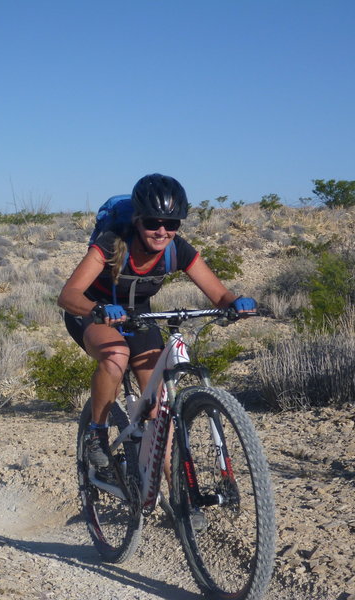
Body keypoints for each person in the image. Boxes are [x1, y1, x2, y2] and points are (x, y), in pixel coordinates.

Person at [57, 173, 257, 470]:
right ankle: (96, 433)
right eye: (152, 222)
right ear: (137, 220)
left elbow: (218, 294)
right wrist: (99, 308)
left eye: (172, 224)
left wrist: (235, 303)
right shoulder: (112, 243)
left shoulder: (178, 250)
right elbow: (68, 295)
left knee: (160, 413)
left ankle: (180, 508)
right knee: (116, 355)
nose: (162, 231)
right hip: (91, 311)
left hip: (139, 314)